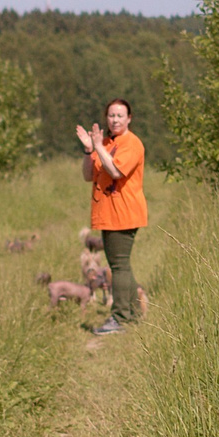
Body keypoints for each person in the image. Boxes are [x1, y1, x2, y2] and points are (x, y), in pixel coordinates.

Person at [75, 99, 146, 334]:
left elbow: (115, 170)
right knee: (121, 265)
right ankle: (133, 314)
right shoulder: (105, 142)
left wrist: (99, 147)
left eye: (119, 116)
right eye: (111, 115)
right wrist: (89, 149)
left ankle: (120, 317)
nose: (115, 120)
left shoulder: (131, 144)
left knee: (118, 266)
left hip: (123, 212)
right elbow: (89, 175)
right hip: (107, 213)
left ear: (129, 119)